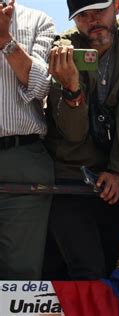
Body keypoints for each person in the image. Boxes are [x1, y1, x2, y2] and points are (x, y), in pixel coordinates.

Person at [43, 0, 119, 280]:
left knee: (110, 270)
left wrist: (118, 169)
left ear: (117, 6)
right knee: (86, 270)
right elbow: (72, 134)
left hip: (116, 178)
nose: (93, 20)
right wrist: (71, 88)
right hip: (69, 177)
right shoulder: (63, 49)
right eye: (83, 15)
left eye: (99, 11)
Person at [0, 0, 55, 280]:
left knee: (19, 278)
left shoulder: (38, 21)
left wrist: (4, 39)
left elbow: (41, 86)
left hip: (22, 158)